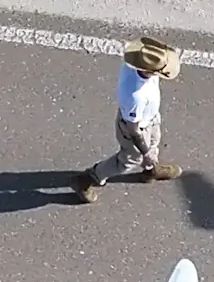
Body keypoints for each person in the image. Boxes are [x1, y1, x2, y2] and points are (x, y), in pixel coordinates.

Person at [72, 37, 182, 204]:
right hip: (136, 127)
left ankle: (151, 169)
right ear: (150, 71)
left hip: (150, 117)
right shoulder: (135, 96)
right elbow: (133, 130)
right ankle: (88, 179)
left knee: (154, 142)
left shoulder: (136, 65)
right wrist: (145, 152)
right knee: (129, 160)